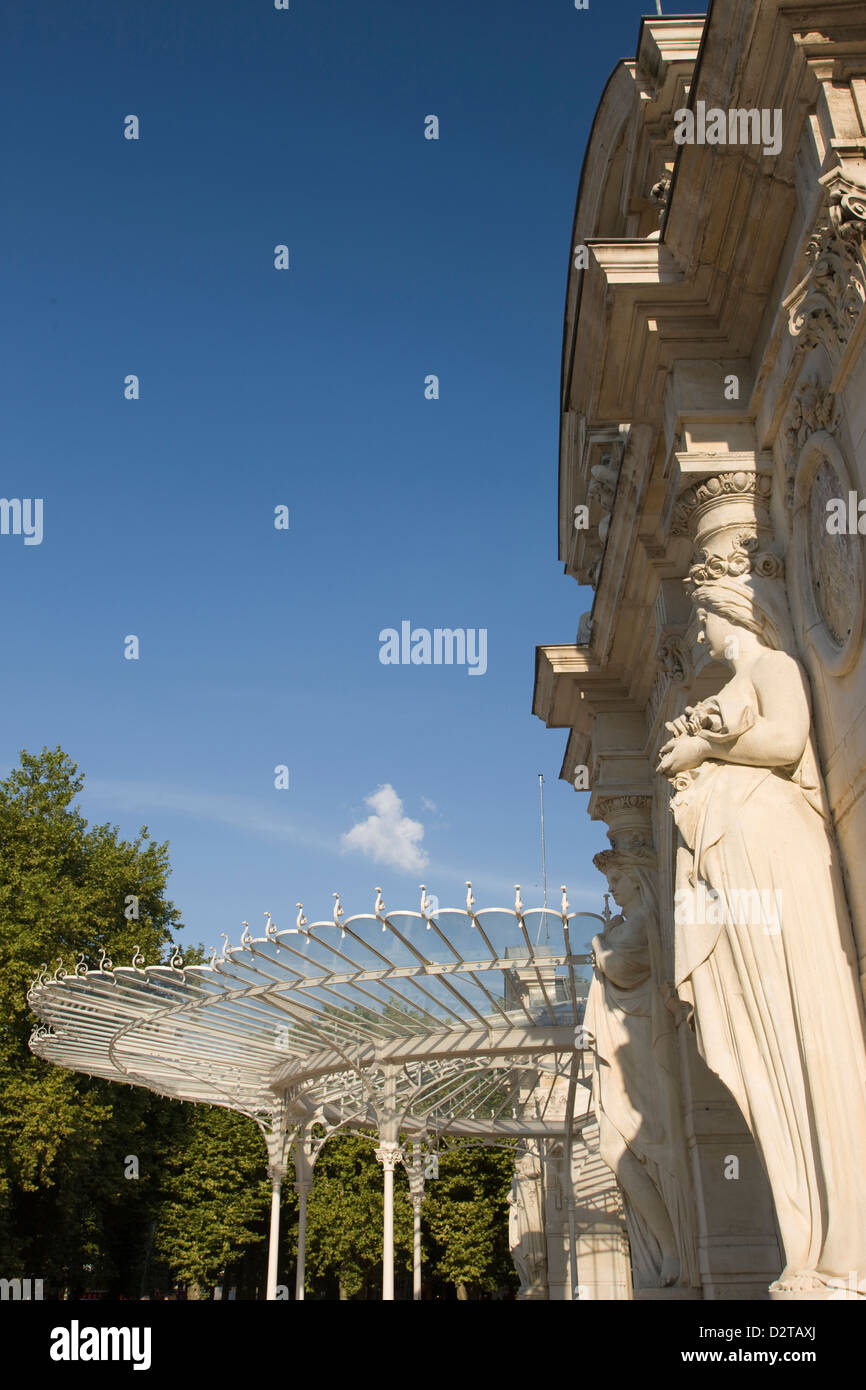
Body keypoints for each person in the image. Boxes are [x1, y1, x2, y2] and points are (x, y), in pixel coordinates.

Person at [657, 536, 866, 1295]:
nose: (702, 630)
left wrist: (705, 746)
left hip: (772, 852)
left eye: (705, 615)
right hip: (737, 861)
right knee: (762, 1038)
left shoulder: (770, 667)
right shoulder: (732, 678)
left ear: (728, 611)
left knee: (801, 1020)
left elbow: (787, 738)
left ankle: (841, 1245)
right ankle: (805, 1245)